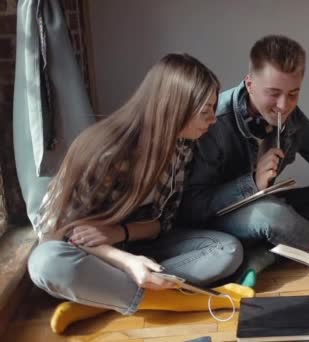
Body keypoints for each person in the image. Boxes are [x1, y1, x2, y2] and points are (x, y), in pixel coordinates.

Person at [27, 54, 253, 334]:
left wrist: (120, 232)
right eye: (205, 111)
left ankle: (96, 300)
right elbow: (56, 229)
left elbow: (165, 223)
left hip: (136, 246)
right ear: (175, 107)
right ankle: (175, 299)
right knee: (45, 264)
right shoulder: (105, 151)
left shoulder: (183, 147)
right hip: (92, 257)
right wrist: (126, 262)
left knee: (227, 250)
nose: (212, 120)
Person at [178, 35, 309, 286]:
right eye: (273, 94)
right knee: (271, 215)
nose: (284, 105)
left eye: (293, 94)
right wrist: (251, 183)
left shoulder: (293, 121)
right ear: (249, 84)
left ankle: (262, 256)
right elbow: (192, 208)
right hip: (215, 225)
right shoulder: (215, 121)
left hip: (268, 211)